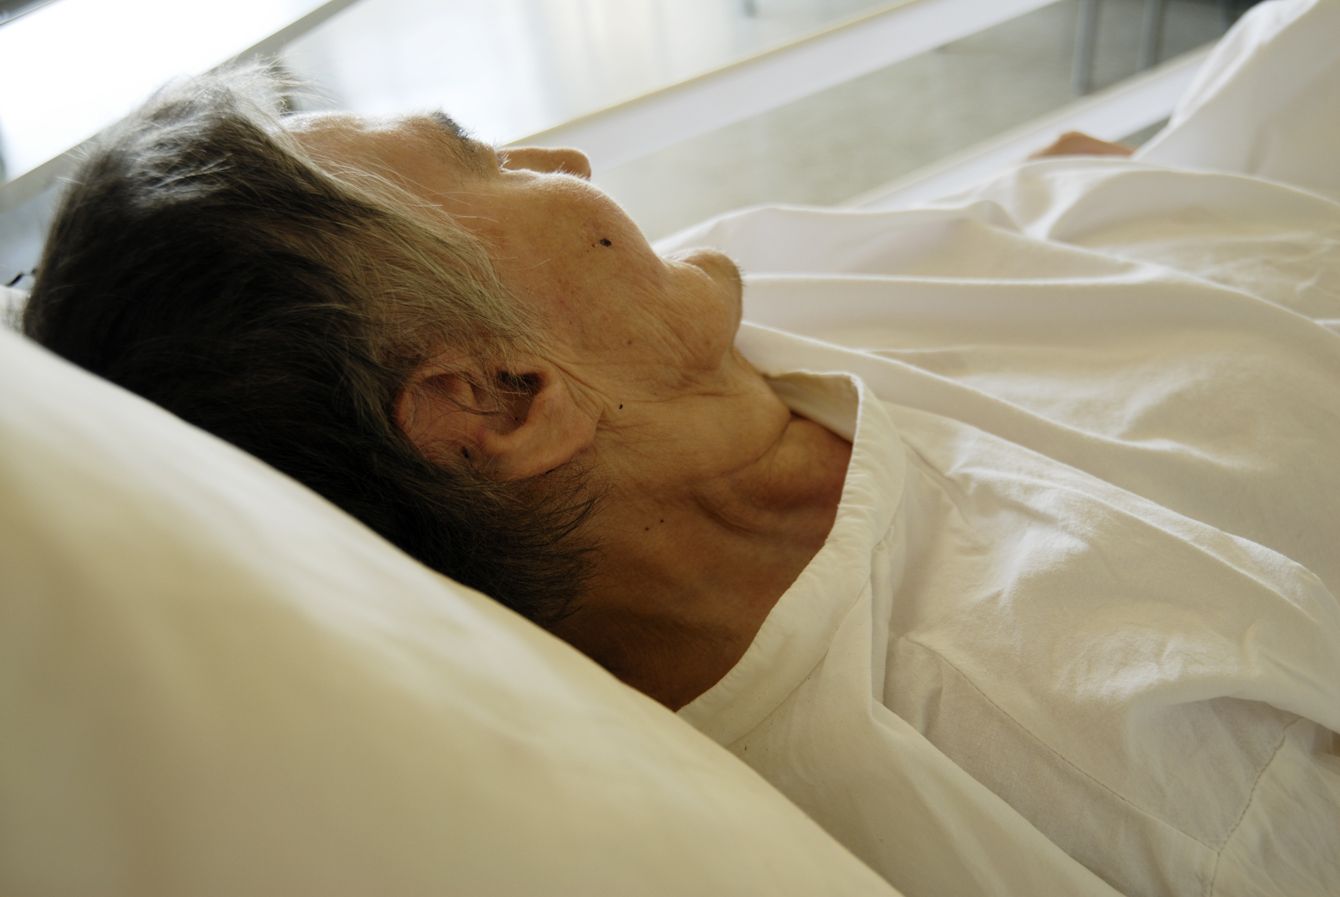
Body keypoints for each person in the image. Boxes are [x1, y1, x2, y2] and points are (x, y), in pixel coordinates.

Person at [19, 1, 1340, 895]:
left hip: (1228, 177)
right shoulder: (1101, 743)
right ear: (498, 402)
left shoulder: (665, 329)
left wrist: (1062, 199)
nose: (566, 156)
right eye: (490, 162)